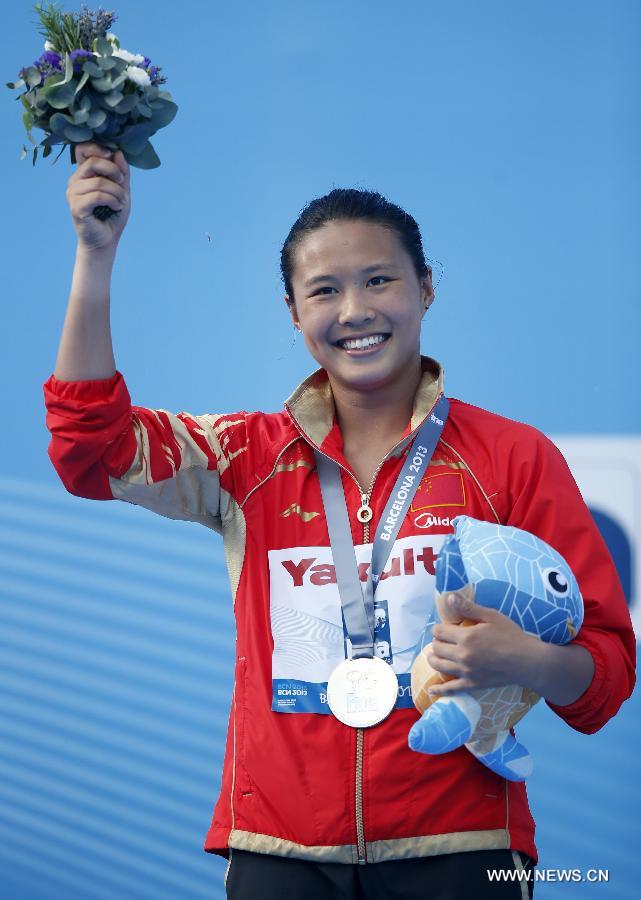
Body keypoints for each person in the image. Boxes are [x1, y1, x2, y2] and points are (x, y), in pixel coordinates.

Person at [43, 143, 635, 900]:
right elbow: (89, 450)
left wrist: (525, 660)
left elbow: (606, 671)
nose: (353, 310)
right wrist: (96, 254)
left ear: (425, 288)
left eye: (379, 280)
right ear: (294, 314)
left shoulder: (511, 457)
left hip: (461, 848)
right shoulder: (243, 457)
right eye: (323, 291)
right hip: (279, 852)